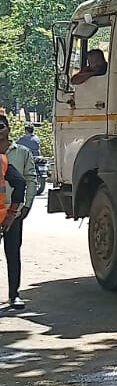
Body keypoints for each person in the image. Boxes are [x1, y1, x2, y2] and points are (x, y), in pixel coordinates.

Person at [0, 112, 36, 310]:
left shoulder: (21, 152)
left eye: (1, 126)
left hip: (13, 213)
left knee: (13, 253)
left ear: (9, 128)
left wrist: (26, 205)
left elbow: (28, 180)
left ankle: (14, 295)